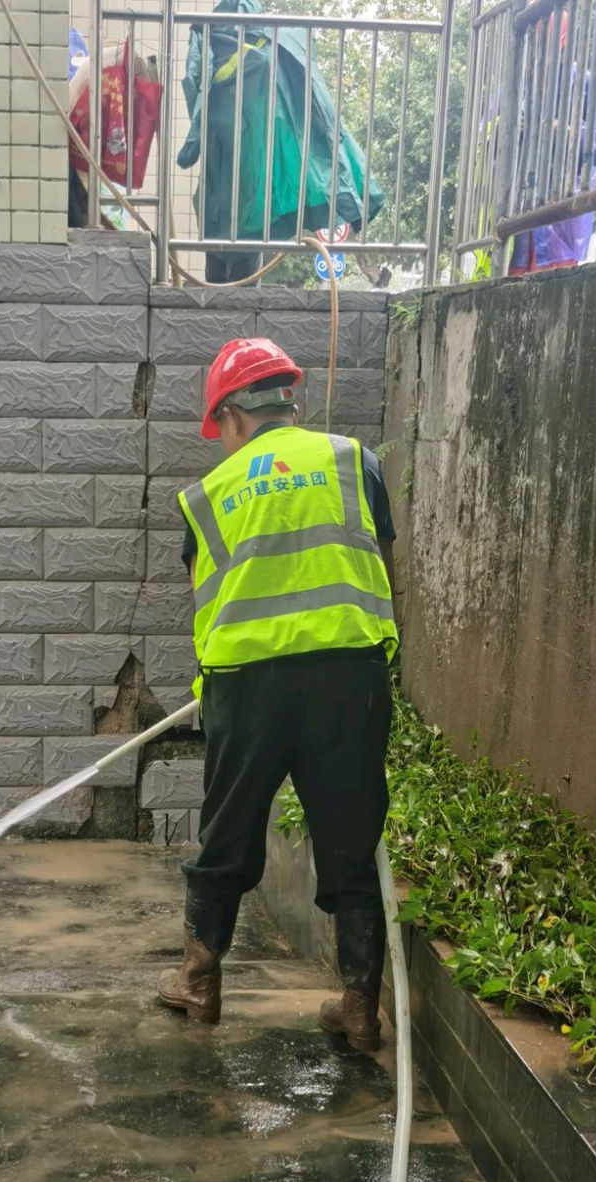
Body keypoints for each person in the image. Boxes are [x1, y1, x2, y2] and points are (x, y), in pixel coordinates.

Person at [156, 337, 398, 1051]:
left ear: (231, 415)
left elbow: (205, 596)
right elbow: (383, 563)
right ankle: (360, 1009)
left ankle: (199, 984)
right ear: (288, 401)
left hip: (247, 689)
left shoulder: (208, 495)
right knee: (351, 841)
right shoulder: (355, 462)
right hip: (349, 679)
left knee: (226, 835)